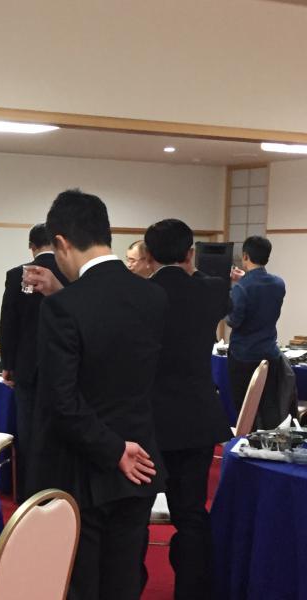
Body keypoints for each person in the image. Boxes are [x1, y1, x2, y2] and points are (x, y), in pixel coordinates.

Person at [26, 189, 167, 600]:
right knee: (124, 579)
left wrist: (113, 449)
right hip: (140, 464)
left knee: (81, 583)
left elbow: (60, 401)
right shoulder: (154, 296)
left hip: (81, 468)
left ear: (62, 243)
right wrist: (125, 448)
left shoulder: (63, 306)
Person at [144, 219, 232, 600]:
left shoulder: (139, 294)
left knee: (135, 515)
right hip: (197, 418)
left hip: (147, 420)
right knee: (192, 513)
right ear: (190, 253)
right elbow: (209, 285)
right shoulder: (212, 291)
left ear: (148, 255)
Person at [0, 223, 68, 501]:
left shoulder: (17, 274)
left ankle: (27, 495)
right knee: (59, 430)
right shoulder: (70, 274)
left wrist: (7, 364)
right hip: (63, 365)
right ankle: (60, 492)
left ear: (32, 246)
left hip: (26, 365)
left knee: (27, 431)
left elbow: (9, 322)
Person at [226, 235, 286, 429]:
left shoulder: (241, 288)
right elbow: (259, 288)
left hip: (244, 355)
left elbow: (234, 321)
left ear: (245, 256)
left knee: (245, 410)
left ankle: (247, 442)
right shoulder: (278, 284)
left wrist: (226, 304)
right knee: (269, 407)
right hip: (270, 353)